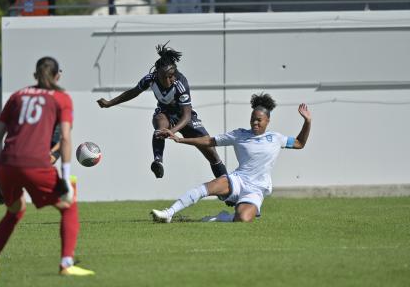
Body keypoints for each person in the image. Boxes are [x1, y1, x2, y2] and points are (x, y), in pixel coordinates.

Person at [0, 57, 94, 278]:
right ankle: (66, 263)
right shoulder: (62, 98)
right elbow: (67, 139)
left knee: (15, 209)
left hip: (7, 163)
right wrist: (65, 177)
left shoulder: (17, 96)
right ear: (57, 76)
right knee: (68, 204)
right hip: (35, 163)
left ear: (35, 75)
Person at [151, 93, 312, 223]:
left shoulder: (277, 138)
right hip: (238, 180)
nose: (254, 123)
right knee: (206, 188)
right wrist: (180, 139)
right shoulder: (239, 134)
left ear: (268, 120)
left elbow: (299, 143)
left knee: (243, 219)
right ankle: (169, 213)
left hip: (256, 189)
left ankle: (221, 218)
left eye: (259, 120)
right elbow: (209, 140)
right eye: (252, 119)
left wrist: (307, 122)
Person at [97, 43, 227, 179]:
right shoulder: (150, 79)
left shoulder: (181, 83)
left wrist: (173, 131)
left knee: (211, 153)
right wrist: (109, 103)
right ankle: (158, 161)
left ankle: (227, 187)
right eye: (164, 76)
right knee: (159, 123)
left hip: (184, 117)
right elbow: (133, 92)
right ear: (157, 72)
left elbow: (187, 115)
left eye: (171, 76)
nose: (168, 80)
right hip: (165, 113)